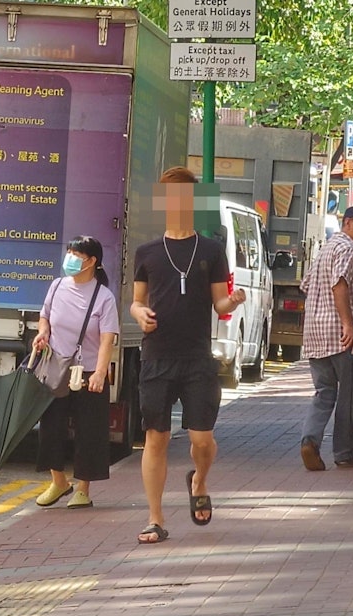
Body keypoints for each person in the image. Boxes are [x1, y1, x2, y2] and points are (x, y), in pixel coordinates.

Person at [130, 166, 246, 544]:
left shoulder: (211, 250)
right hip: (157, 357)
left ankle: (199, 479)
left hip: (197, 358)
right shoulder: (146, 252)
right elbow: (135, 302)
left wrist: (234, 299)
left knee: (201, 439)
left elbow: (220, 303)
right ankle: (155, 518)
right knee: (156, 438)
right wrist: (140, 314)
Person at [33, 236, 119, 509]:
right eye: (69, 252)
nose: (69, 258)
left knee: (89, 431)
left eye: (76, 254)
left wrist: (99, 373)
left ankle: (83, 488)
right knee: (50, 426)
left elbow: (107, 339)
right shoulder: (57, 286)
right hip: (56, 367)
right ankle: (58, 482)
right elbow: (44, 315)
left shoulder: (104, 297)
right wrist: (43, 332)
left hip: (88, 371)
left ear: (92, 261)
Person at [300, 205, 353, 471]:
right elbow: (340, 284)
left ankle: (309, 440)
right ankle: (345, 453)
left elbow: (306, 285)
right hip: (342, 336)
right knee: (349, 395)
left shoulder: (325, 248)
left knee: (324, 392)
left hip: (316, 334)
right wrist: (348, 324)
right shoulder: (347, 249)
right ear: (347, 223)